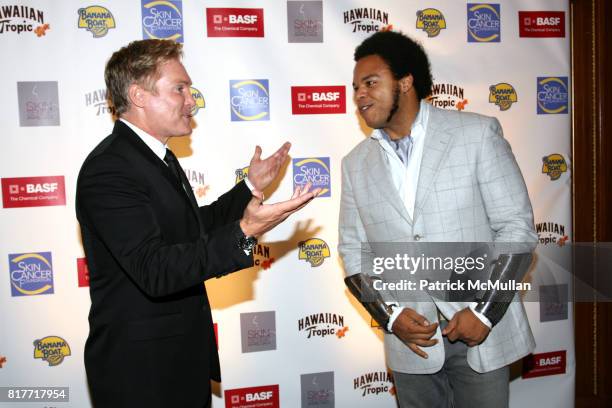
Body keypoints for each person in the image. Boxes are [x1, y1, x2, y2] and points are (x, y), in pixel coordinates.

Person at [76, 39, 318, 408]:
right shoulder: (110, 169)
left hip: (176, 363)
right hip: (142, 377)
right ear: (139, 95)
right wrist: (245, 232)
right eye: (179, 89)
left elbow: (192, 228)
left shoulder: (156, 157)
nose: (191, 100)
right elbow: (154, 269)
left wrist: (250, 187)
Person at [339, 31, 538, 408]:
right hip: (410, 345)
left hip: (481, 333)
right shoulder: (354, 164)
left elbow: (517, 229)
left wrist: (483, 310)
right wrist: (391, 315)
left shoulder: (476, 134)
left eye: (370, 83)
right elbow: (352, 250)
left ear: (406, 81)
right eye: (355, 88)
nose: (360, 95)